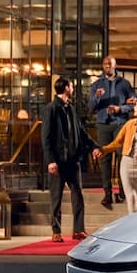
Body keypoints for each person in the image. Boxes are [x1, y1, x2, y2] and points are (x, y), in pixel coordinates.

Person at [42, 76, 100, 242]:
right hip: (58, 161)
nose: (73, 88)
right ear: (66, 88)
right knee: (56, 197)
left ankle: (78, 229)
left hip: (72, 160)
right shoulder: (51, 108)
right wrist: (50, 160)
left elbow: (81, 132)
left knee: (78, 195)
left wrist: (94, 146)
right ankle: (56, 231)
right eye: (72, 85)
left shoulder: (71, 109)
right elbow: (45, 137)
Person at [93, 100, 137, 215]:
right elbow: (117, 142)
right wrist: (103, 150)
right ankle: (132, 221)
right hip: (126, 163)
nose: (134, 108)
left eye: (136, 106)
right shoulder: (130, 124)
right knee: (131, 196)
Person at [88, 55, 136, 210]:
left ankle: (122, 192)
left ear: (115, 65)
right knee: (105, 160)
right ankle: (107, 193)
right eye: (105, 64)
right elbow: (90, 107)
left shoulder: (125, 84)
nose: (107, 66)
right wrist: (96, 97)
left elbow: (133, 105)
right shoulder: (96, 85)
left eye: (110, 63)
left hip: (120, 124)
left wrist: (120, 108)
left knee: (123, 158)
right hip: (103, 125)